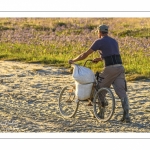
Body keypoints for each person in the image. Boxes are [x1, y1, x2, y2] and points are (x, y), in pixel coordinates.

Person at [68, 24, 131, 123]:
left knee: (99, 88)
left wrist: (73, 60)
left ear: (99, 32)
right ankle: (126, 116)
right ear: (107, 31)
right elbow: (112, 54)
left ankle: (101, 113)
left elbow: (85, 54)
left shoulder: (99, 41)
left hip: (110, 69)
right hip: (120, 68)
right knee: (122, 92)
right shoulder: (114, 41)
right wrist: (100, 58)